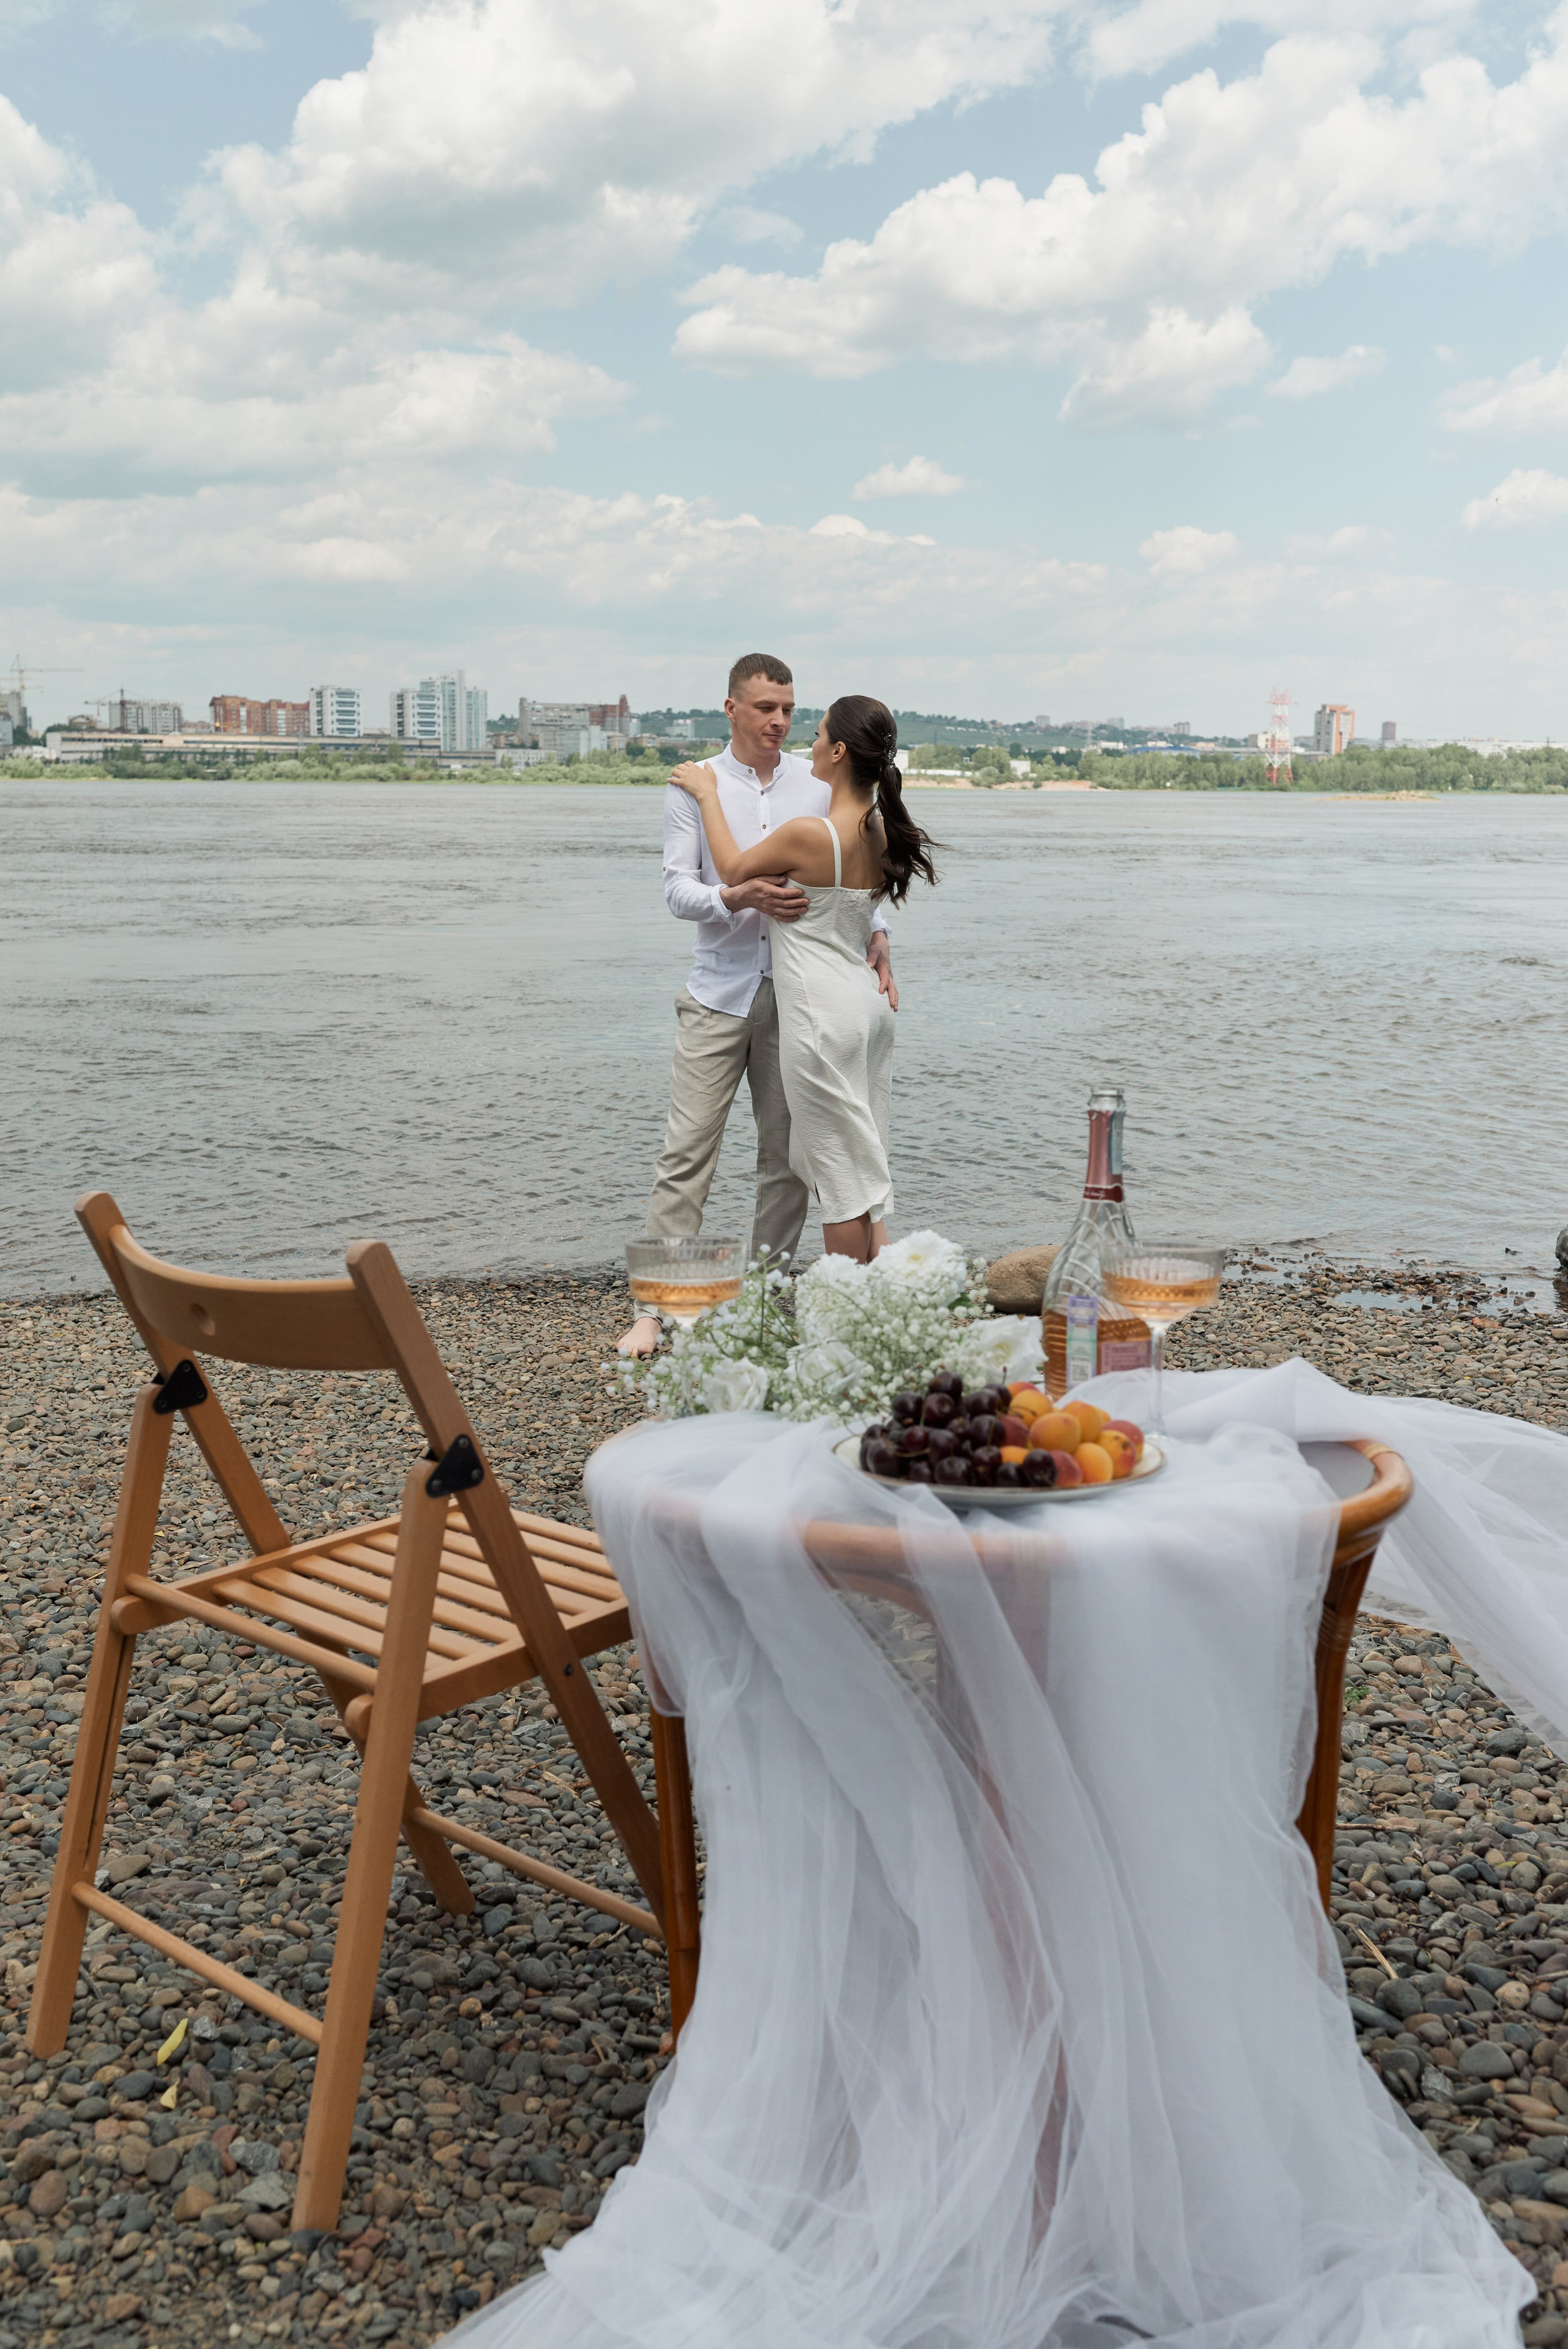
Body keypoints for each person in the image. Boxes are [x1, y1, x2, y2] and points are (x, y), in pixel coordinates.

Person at [619, 655, 896, 1355]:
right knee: (686, 1154)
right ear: (733, 709)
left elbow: (851, 875)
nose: (778, 722)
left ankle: (768, 1302)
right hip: (719, 991)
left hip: (799, 999)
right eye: (765, 708)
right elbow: (679, 889)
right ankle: (655, 1308)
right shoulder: (695, 786)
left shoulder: (818, 782)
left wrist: (881, 933)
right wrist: (733, 898)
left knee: (788, 1161)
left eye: (789, 710)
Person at [669, 694, 938, 1267]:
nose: (807, 741)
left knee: (838, 1178)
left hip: (822, 1017)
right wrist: (882, 937)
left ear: (839, 751)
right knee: (863, 1163)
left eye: (816, 732)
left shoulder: (810, 834)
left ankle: (847, 1308)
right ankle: (880, 1298)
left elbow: (734, 868)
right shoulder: (880, 831)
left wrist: (708, 793)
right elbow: (860, 913)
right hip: (868, 1008)